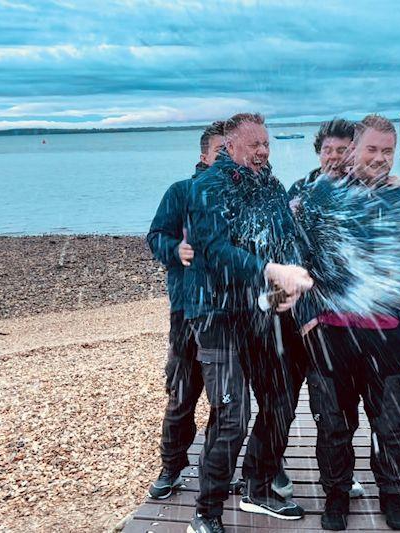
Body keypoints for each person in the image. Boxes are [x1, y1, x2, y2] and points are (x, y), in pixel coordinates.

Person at [182, 113, 314, 533]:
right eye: (253, 144)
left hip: (262, 310)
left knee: (280, 403)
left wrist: (290, 283)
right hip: (217, 316)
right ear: (230, 147)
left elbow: (283, 241)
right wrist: (272, 270)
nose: (262, 152)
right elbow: (217, 252)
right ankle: (207, 512)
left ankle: (258, 484)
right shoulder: (205, 190)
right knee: (232, 416)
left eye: (266, 145)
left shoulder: (271, 186)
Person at [301, 114, 400, 531]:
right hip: (332, 332)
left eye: (388, 151)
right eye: (372, 149)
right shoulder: (321, 198)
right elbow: (296, 259)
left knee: (390, 426)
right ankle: (336, 494)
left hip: (386, 335)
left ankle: (391, 493)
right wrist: (304, 317)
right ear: (353, 149)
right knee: (334, 425)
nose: (380, 158)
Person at [144, 121, 224, 500]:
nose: (226, 159)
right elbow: (155, 236)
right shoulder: (180, 192)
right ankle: (171, 466)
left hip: (228, 316)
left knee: (224, 400)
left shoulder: (238, 197)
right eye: (219, 152)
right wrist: (175, 250)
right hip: (187, 312)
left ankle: (215, 469)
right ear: (204, 156)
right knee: (181, 393)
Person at [287, 118, 356, 200]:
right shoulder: (300, 188)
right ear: (319, 152)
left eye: (341, 151)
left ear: (354, 153)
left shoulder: (362, 187)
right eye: (327, 151)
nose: (334, 156)